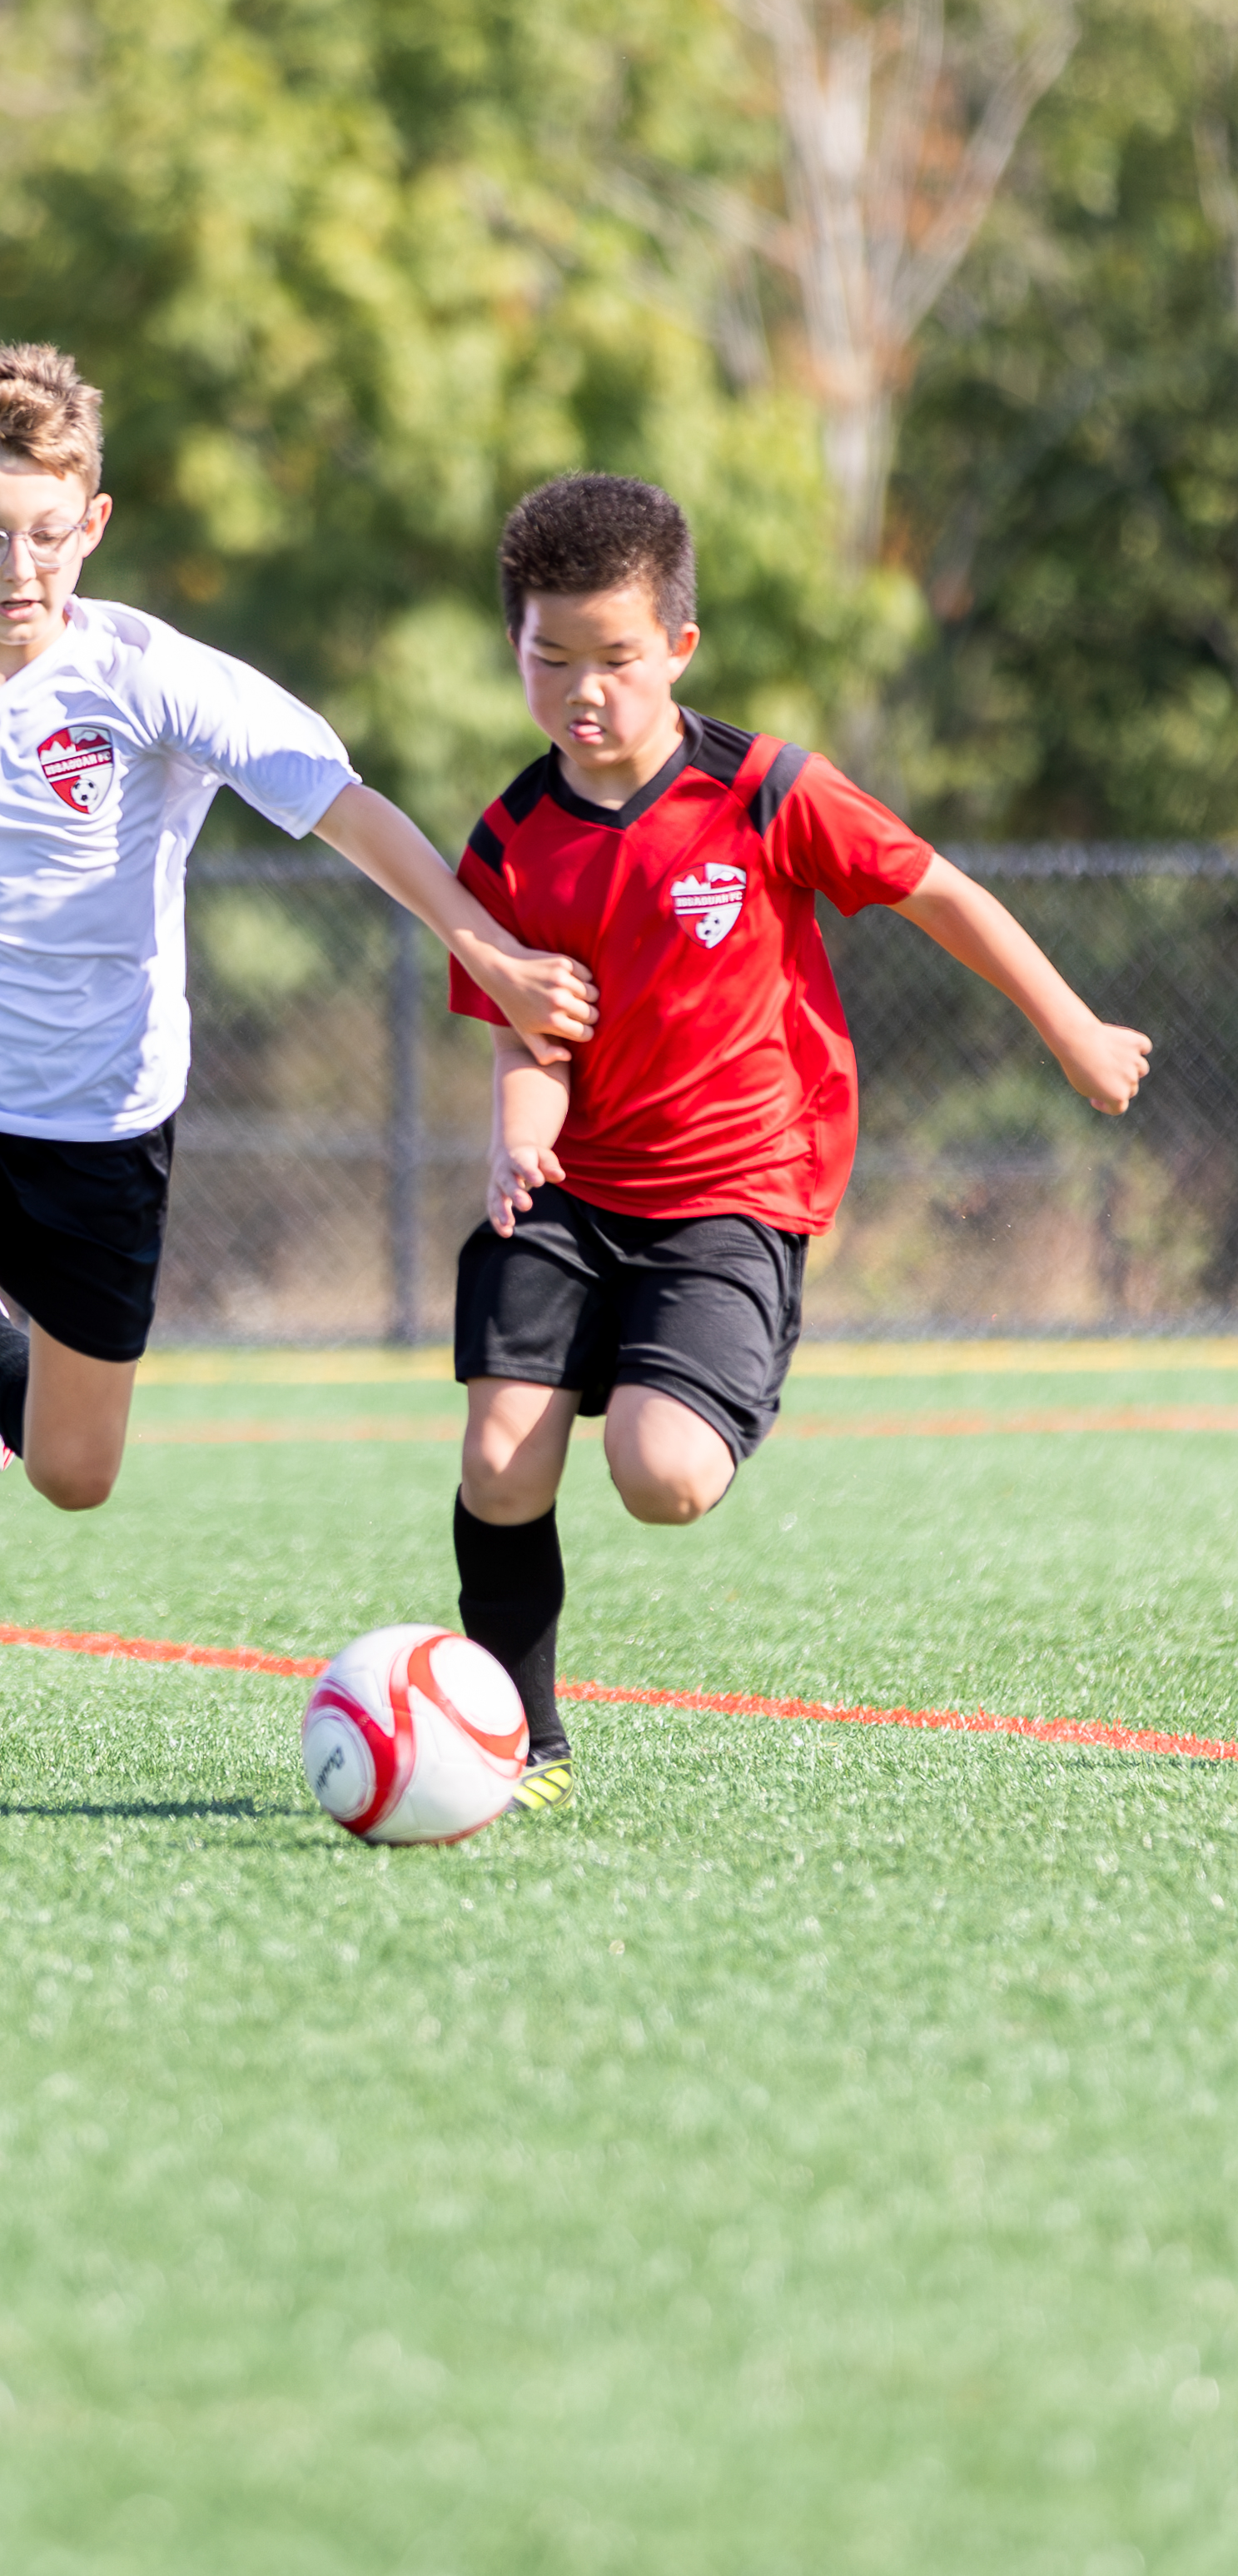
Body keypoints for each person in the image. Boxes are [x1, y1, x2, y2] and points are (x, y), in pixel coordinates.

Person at [0, 341, 598, 1826]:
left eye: (44, 532)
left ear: (90, 521)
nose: (15, 568)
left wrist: (493, 947)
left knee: (75, 1475)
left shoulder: (153, 677)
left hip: (105, 1130)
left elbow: (343, 809)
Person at [446, 471, 1152, 1814]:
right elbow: (527, 1037)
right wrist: (516, 1144)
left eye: (619, 658)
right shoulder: (510, 839)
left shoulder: (767, 791)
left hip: (734, 1188)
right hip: (571, 1191)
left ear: (680, 650)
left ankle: (714, 1359)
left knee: (662, 1476)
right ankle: (521, 1742)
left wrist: (1071, 1027)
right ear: (515, 648)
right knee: (498, 1456)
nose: (585, 689)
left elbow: (938, 889)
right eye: (553, 658)